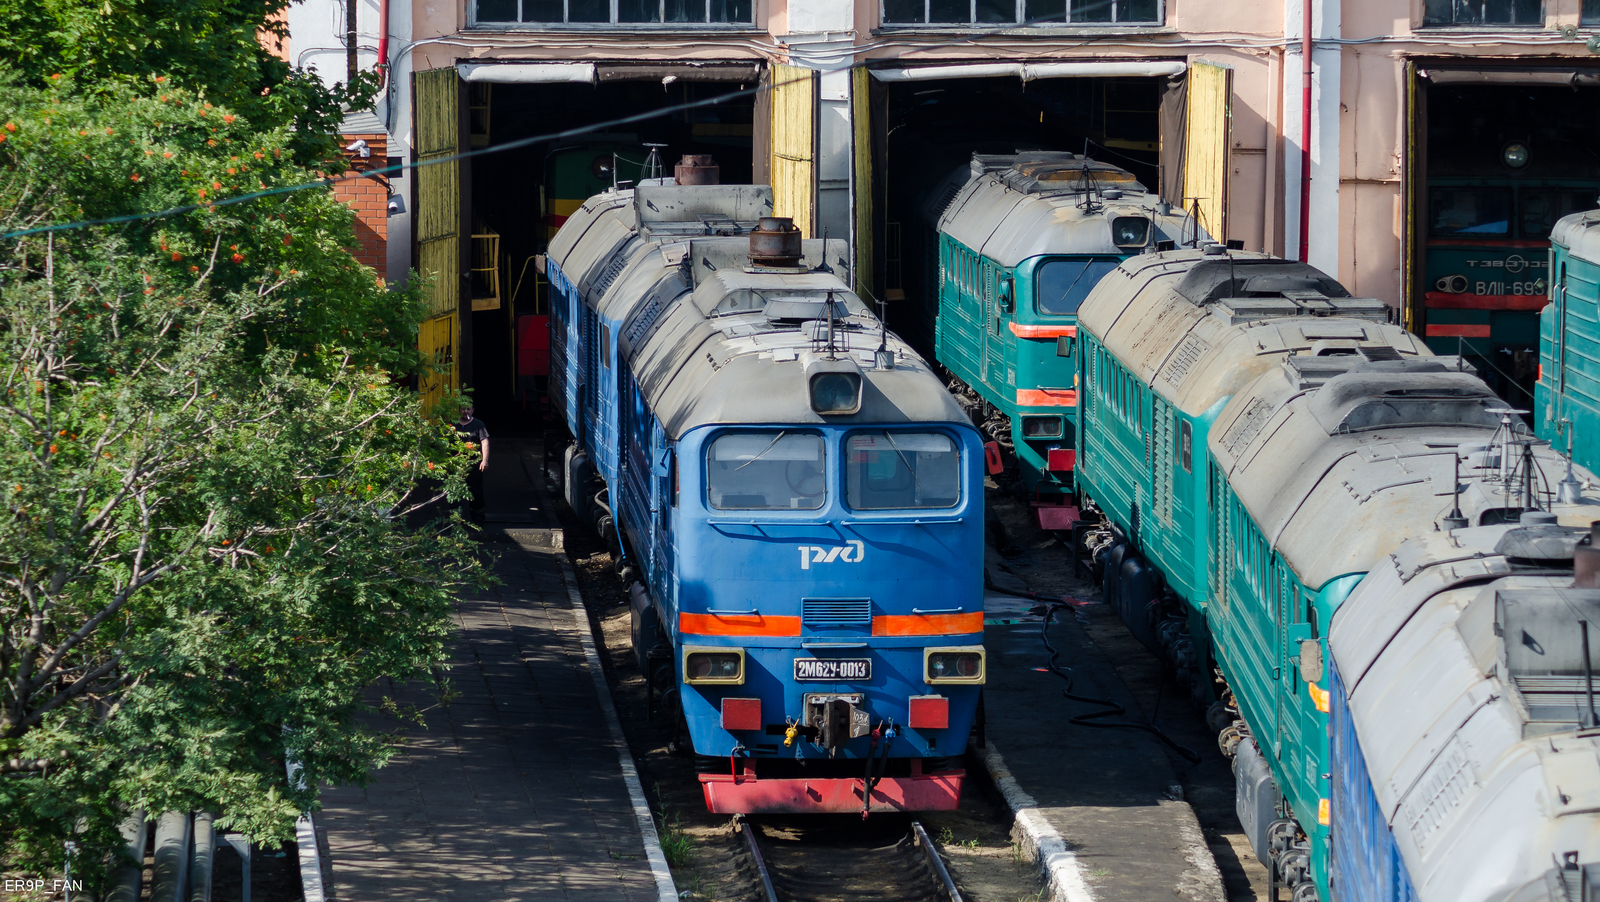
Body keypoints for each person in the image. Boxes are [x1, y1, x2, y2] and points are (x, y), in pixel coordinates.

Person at [454, 403, 489, 523]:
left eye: (468, 409)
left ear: (473, 410)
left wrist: (484, 460)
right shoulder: (453, 424)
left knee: (475, 490)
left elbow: (484, 441)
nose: (465, 411)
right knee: (455, 489)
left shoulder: (478, 424)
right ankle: (454, 520)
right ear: (459, 409)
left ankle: (478, 519)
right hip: (456, 464)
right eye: (463, 409)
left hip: (473, 464)